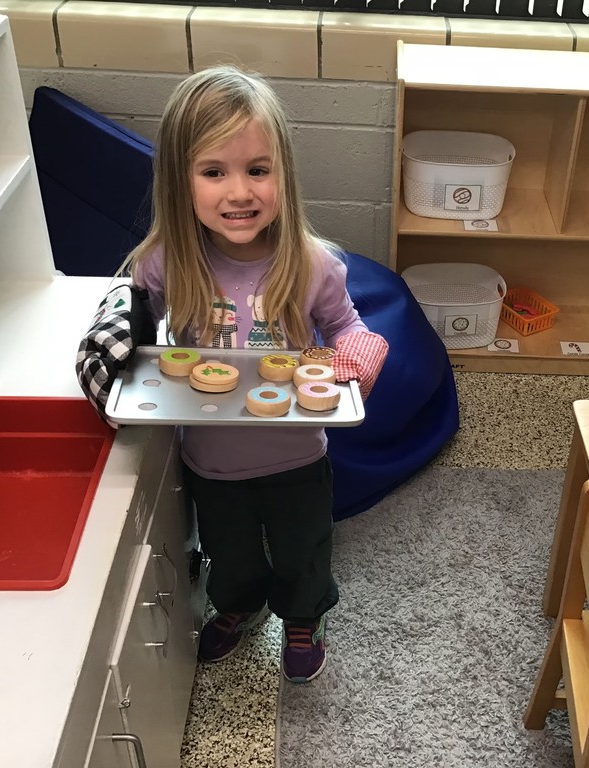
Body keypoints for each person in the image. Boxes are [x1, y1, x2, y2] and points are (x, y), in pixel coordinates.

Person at [76, 66, 388, 683]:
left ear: (284, 176)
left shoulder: (313, 263)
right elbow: (131, 318)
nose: (239, 192)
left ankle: (303, 616)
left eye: (257, 170)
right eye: (214, 172)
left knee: (304, 552)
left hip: (296, 452)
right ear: (179, 181)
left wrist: (360, 352)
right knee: (229, 550)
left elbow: (348, 326)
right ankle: (239, 607)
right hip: (210, 456)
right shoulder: (167, 263)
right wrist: (108, 341)